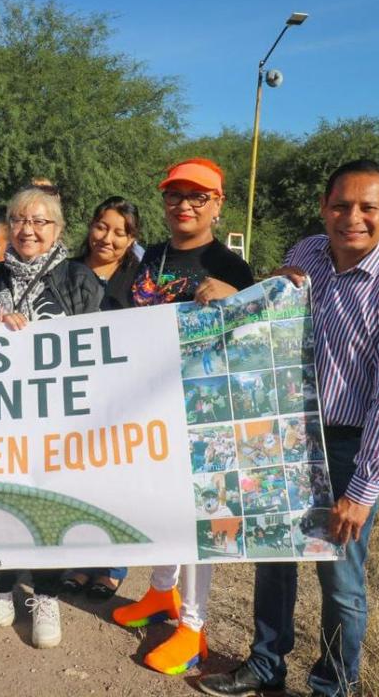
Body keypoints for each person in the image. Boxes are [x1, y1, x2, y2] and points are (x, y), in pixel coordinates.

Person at [196, 160, 379, 697]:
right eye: (340, 205)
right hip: (285, 428)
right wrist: (267, 288)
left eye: (368, 207)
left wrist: (362, 490)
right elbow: (276, 319)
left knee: (341, 581)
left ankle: (332, 685)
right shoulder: (306, 252)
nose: (352, 217)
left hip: (349, 445)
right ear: (324, 207)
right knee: (274, 555)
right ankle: (266, 665)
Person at [113, 158, 254, 675]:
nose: (184, 205)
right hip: (152, 406)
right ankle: (160, 593)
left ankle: (193, 627)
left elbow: (257, 338)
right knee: (162, 503)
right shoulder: (152, 255)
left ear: (218, 205)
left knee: (198, 516)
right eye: (175, 195)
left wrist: (239, 300)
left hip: (204, 413)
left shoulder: (231, 267)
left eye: (198, 196)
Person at [0, 185, 103, 649]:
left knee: (47, 506)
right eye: (20, 220)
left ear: (58, 229)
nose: (29, 229)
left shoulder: (79, 279)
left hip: (55, 421)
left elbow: (100, 343)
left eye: (41, 221)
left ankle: (46, 595)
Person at [60, 196, 142, 601]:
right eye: (101, 227)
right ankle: (77, 559)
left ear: (132, 240)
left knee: (117, 482)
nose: (107, 238)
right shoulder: (61, 274)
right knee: (77, 477)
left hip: (122, 398)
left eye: (119, 232)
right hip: (71, 398)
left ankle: (111, 567)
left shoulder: (142, 282)